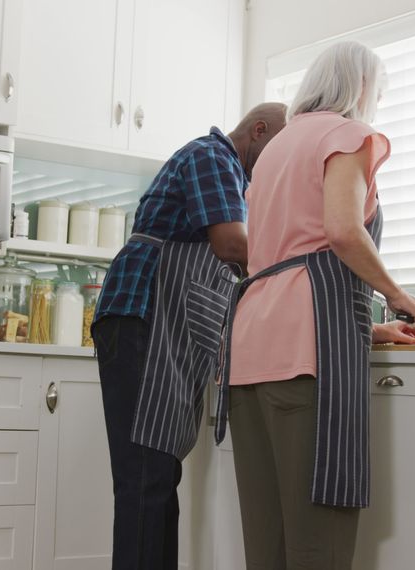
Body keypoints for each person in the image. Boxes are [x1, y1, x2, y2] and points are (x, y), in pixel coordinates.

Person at [219, 42, 415, 569]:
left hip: (251, 350)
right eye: (379, 92)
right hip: (306, 355)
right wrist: (397, 295)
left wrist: (372, 330)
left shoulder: (276, 147)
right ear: (362, 88)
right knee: (319, 536)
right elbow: (340, 232)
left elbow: (285, 258)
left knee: (267, 538)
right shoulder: (348, 135)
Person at [92, 103, 288, 570]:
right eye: (279, 151)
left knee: (158, 477)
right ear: (258, 131)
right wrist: (300, 267)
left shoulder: (236, 181)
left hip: (165, 333)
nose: (282, 165)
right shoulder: (212, 156)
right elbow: (233, 247)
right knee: (145, 480)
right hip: (142, 315)